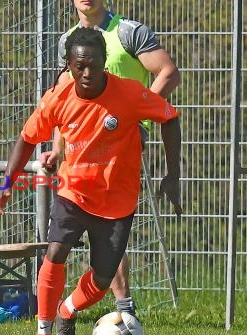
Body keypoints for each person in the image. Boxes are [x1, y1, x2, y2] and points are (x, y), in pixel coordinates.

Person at [0, 27, 181, 335]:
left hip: (117, 200)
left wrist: (173, 174)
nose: (87, 72)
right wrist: (6, 187)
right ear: (69, 65)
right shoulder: (58, 98)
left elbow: (170, 117)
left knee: (103, 279)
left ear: (105, 61)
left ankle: (67, 310)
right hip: (73, 192)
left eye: (94, 64)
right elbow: (26, 138)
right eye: (80, 65)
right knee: (55, 252)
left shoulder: (130, 93)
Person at [39, 0, 181, 317]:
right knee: (74, 240)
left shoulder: (129, 32)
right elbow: (67, 97)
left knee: (112, 227)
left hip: (123, 144)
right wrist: (58, 147)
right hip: (81, 153)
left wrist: (138, 113)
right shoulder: (69, 40)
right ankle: (88, 311)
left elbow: (168, 71)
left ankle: (121, 304)